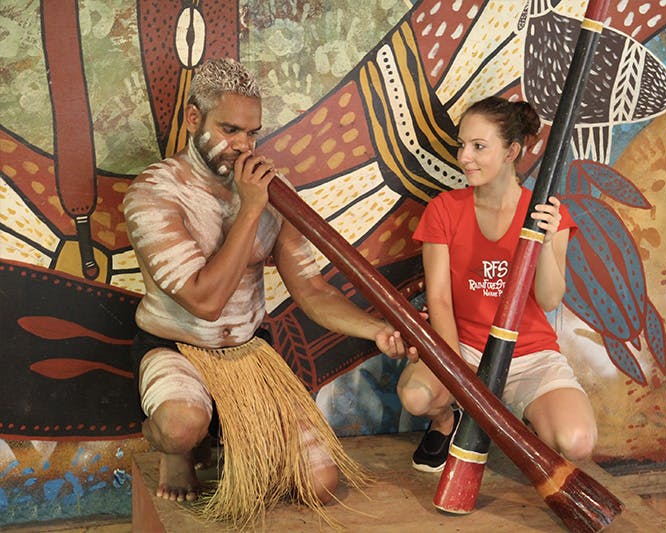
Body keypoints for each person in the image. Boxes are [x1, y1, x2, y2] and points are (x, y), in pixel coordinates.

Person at [123, 58, 416, 525]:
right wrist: (250, 209)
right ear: (194, 118)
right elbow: (204, 302)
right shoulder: (154, 193)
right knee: (180, 427)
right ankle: (176, 448)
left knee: (320, 483)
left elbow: (312, 290)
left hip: (247, 353)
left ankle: (227, 436)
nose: (243, 145)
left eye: (252, 133)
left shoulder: (268, 191)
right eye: (229, 130)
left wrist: (376, 329)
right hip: (176, 347)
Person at [396, 96, 597, 472]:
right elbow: (439, 299)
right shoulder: (444, 209)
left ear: (511, 152)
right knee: (416, 396)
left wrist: (547, 241)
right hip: (465, 348)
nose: (464, 157)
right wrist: (457, 373)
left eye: (478, 147)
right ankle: (447, 421)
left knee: (577, 441)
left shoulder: (547, 213)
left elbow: (549, 299)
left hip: (529, 355)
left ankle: (528, 418)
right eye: (462, 145)